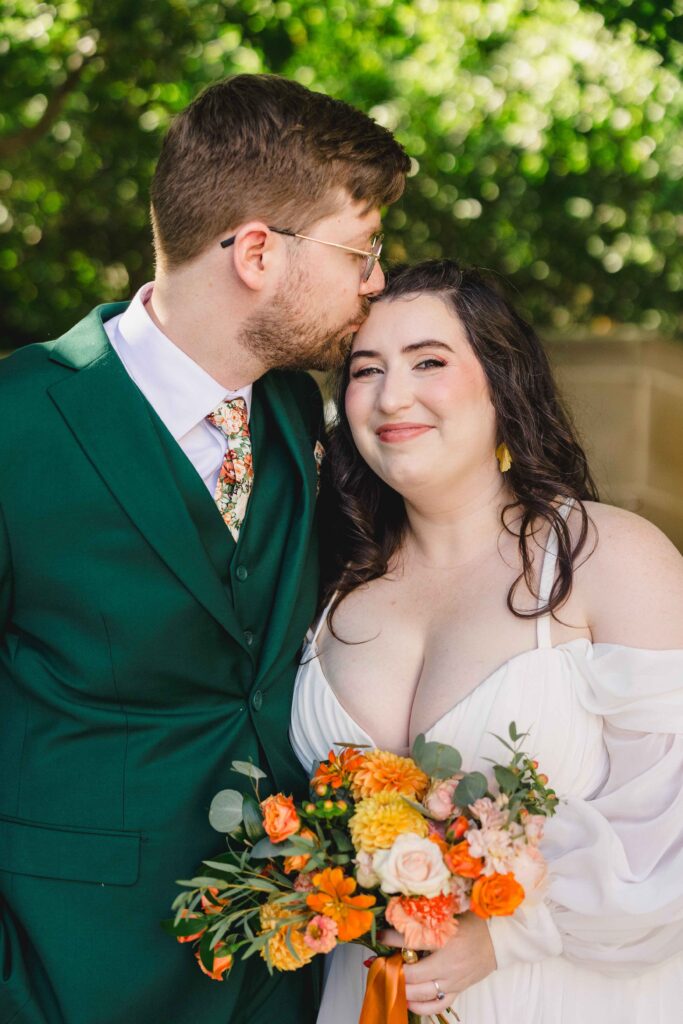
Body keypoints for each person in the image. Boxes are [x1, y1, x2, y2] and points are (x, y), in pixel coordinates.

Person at [0, 74, 409, 1024]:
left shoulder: (292, 411)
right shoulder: (18, 421)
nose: (376, 281)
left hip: (280, 965)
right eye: (363, 249)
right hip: (67, 971)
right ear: (258, 252)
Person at [290, 260, 683, 1023]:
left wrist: (507, 938)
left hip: (562, 993)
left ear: (502, 381)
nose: (391, 396)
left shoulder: (610, 558)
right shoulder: (323, 579)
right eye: (365, 370)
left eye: (428, 362)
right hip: (365, 995)